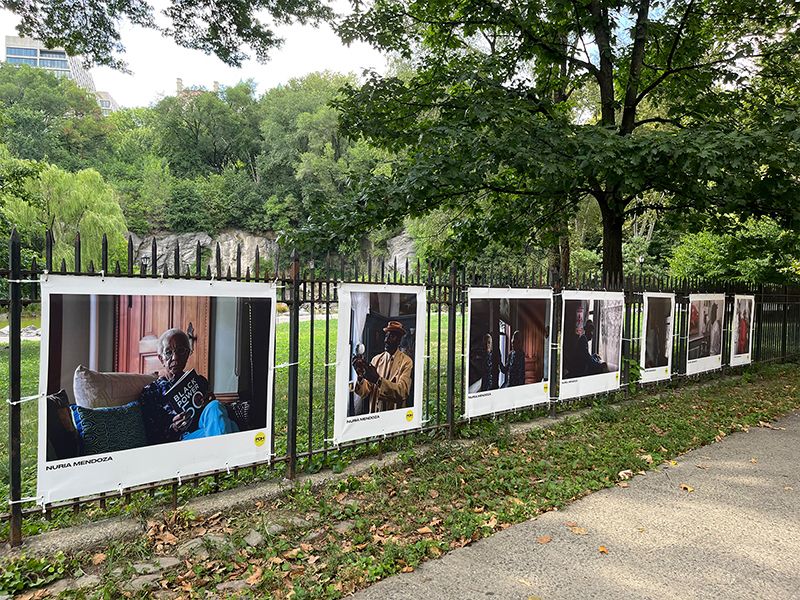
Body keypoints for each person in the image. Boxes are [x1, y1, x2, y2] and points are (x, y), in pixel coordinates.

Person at [138, 328, 239, 444]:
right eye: (168, 352)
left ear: (187, 354)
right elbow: (152, 436)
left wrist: (207, 402)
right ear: (161, 358)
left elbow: (212, 416)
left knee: (214, 406)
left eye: (180, 351)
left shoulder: (199, 381)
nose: (175, 358)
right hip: (178, 441)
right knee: (230, 427)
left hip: (204, 427)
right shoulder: (151, 392)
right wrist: (174, 427)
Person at [352, 320, 413, 413]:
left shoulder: (406, 362)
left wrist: (378, 380)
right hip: (375, 415)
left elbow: (402, 392)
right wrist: (360, 377)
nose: (386, 340)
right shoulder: (376, 359)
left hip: (394, 416)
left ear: (399, 340)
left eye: (392, 336)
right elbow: (365, 392)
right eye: (386, 336)